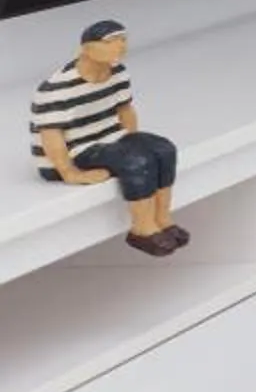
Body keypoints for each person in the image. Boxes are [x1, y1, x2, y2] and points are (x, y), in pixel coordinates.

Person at [31, 20, 185, 257]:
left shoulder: (118, 72)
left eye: (122, 40)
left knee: (163, 150)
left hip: (110, 135)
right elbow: (51, 135)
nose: (120, 47)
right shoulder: (55, 89)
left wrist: (135, 140)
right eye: (110, 42)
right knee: (136, 162)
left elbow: (125, 110)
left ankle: (161, 219)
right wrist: (69, 172)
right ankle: (141, 230)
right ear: (86, 48)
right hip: (78, 149)